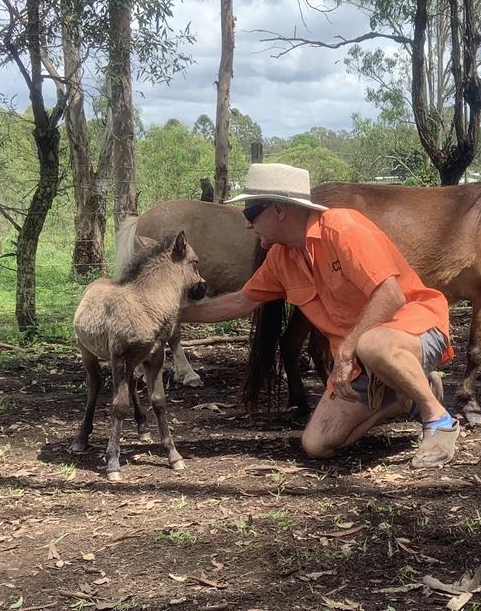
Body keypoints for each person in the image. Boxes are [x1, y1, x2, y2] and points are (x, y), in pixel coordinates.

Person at [179, 163, 459, 468]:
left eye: (250, 213)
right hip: (361, 359)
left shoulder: (343, 229)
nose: (247, 224)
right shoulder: (280, 260)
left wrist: (347, 351)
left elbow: (391, 295)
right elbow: (240, 302)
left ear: (279, 209)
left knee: (371, 344)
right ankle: (407, 395)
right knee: (317, 444)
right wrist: (173, 314)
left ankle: (439, 421)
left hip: (412, 329)